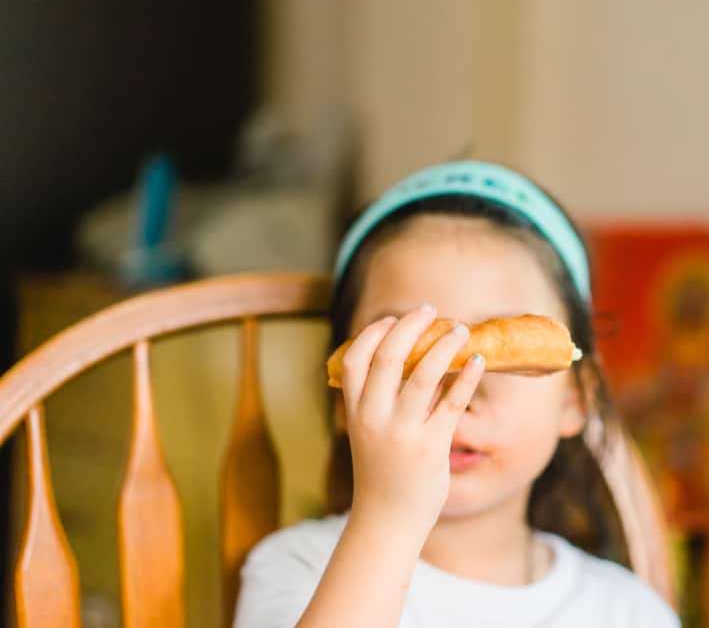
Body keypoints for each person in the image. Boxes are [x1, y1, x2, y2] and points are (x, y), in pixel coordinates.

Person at [233, 160, 680, 627]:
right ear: (343, 399)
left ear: (574, 398)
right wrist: (389, 516)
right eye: (405, 355)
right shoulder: (297, 568)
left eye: (500, 359)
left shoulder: (627, 611)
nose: (455, 392)